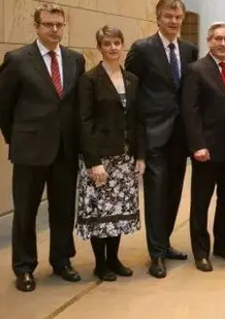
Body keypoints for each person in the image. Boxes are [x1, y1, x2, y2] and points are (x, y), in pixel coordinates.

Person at [0, 4, 86, 292]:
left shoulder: (76, 60)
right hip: (29, 148)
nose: (54, 30)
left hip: (65, 149)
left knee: (63, 209)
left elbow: (76, 107)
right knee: (26, 210)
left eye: (59, 24)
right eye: (48, 24)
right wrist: (17, 137)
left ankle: (62, 261)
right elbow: (3, 105)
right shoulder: (17, 59)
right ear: (36, 26)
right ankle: (24, 267)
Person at [125, 0, 199, 278]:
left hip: (180, 135)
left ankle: (165, 243)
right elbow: (131, 92)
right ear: (157, 18)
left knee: (173, 193)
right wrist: (135, 136)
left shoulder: (189, 50)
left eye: (178, 17)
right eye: (168, 16)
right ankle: (155, 254)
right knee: (155, 195)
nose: (173, 21)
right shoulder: (142, 49)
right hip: (153, 134)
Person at [76, 25, 146, 281]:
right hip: (100, 159)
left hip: (125, 157)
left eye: (117, 42)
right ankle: (100, 263)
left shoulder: (132, 80)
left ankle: (114, 258)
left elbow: (138, 120)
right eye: (107, 44)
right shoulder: (90, 79)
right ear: (100, 48)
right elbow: (84, 121)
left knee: (117, 211)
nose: (113, 48)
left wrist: (140, 156)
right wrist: (93, 161)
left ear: (122, 45)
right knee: (100, 212)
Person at [182, 22, 225, 272]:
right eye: (218, 39)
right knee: (201, 202)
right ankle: (201, 251)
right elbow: (190, 111)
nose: (223, 43)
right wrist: (198, 145)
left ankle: (222, 245)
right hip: (206, 150)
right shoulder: (196, 70)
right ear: (209, 41)